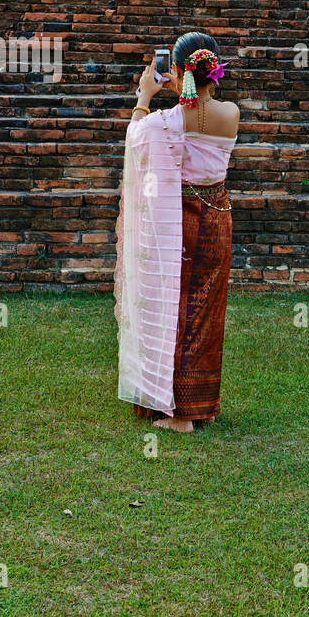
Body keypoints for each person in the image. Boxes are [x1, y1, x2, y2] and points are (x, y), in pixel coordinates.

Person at [115, 32, 240, 433]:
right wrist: (181, 86)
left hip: (179, 222)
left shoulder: (167, 120)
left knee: (171, 307)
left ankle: (176, 414)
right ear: (215, 70)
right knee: (204, 310)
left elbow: (137, 140)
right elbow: (200, 112)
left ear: (178, 70)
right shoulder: (231, 113)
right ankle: (198, 404)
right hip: (218, 217)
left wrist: (144, 96)